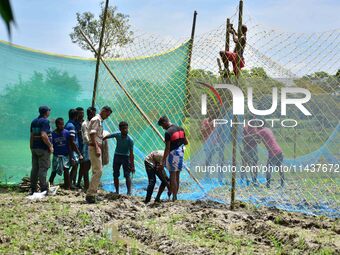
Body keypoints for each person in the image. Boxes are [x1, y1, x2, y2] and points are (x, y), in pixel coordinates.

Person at [86, 106, 112, 203]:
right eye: (107, 114)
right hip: (94, 147)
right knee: (98, 171)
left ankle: (93, 193)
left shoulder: (99, 120)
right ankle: (91, 195)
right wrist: (97, 148)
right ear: (103, 111)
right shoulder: (97, 120)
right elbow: (92, 134)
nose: (107, 117)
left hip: (96, 146)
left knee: (97, 171)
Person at [158, 116, 188, 202]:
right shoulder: (181, 129)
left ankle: (174, 197)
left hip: (173, 154)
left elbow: (167, 148)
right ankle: (175, 196)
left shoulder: (168, 132)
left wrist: (162, 161)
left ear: (165, 123)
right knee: (177, 176)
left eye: (162, 126)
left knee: (172, 176)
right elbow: (186, 142)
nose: (163, 128)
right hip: (181, 153)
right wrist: (178, 141)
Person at [104, 121, 135, 195]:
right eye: (123, 129)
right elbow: (108, 136)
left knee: (127, 175)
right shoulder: (117, 135)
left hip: (125, 157)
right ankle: (117, 191)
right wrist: (101, 139)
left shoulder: (130, 140)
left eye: (126, 128)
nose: (125, 130)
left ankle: (129, 192)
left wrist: (132, 165)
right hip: (117, 156)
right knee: (115, 174)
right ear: (120, 129)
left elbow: (131, 154)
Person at [29, 106, 53, 194]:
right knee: (43, 168)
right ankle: (43, 188)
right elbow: (43, 135)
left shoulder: (34, 121)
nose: (49, 112)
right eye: (49, 111)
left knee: (35, 168)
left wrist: (31, 146)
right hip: (43, 148)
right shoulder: (45, 121)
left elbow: (32, 135)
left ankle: (33, 188)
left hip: (34, 148)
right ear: (46, 112)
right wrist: (50, 146)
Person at [48, 118, 72, 189]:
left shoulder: (67, 133)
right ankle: (50, 182)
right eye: (60, 124)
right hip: (56, 155)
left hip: (65, 155)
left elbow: (69, 145)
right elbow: (51, 145)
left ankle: (67, 186)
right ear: (57, 125)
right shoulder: (53, 134)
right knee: (54, 170)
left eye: (63, 124)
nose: (62, 126)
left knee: (66, 169)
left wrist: (71, 156)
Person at [77, 106, 96, 191]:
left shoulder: (95, 122)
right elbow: (85, 135)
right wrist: (91, 142)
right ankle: (86, 186)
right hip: (87, 146)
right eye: (92, 114)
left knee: (91, 166)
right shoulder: (85, 124)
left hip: (93, 145)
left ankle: (88, 185)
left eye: (94, 114)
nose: (93, 115)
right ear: (89, 114)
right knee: (86, 166)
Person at [65, 109, 83, 189]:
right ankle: (69, 184)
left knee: (69, 167)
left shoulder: (68, 124)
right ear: (76, 116)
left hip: (69, 149)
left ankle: (68, 184)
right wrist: (78, 153)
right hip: (72, 150)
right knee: (74, 166)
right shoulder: (71, 126)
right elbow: (72, 141)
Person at [75, 107, 85, 188]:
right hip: (76, 147)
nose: (81, 114)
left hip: (84, 146)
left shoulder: (85, 122)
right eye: (80, 113)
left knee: (83, 165)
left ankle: (78, 182)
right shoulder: (74, 123)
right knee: (75, 165)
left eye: (82, 113)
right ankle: (73, 182)